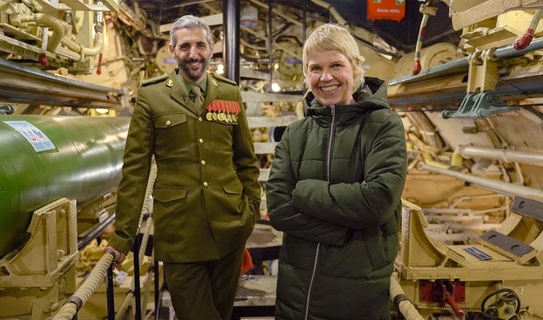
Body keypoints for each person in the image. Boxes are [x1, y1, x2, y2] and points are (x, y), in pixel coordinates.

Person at [106, 14, 262, 320]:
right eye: (186, 46)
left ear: (212, 48)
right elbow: (135, 171)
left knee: (222, 313)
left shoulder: (229, 93)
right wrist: (122, 237)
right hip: (180, 233)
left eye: (200, 45)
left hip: (229, 229)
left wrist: (251, 211)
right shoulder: (151, 96)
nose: (194, 54)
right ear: (172, 49)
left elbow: (245, 159)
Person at [266, 23, 407, 320]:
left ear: (356, 67)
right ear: (306, 74)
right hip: (297, 293)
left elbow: (377, 201)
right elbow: (278, 209)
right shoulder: (295, 134)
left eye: (336, 65)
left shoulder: (383, 126)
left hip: (355, 295)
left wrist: (304, 192)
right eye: (315, 68)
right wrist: (347, 228)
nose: (326, 77)